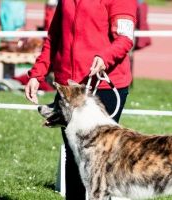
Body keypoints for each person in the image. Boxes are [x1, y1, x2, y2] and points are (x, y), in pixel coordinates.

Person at [25, 0, 137, 199]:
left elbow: (124, 38)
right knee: (73, 153)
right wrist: (37, 73)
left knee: (100, 157)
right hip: (69, 88)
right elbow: (54, 37)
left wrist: (105, 57)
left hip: (104, 86)